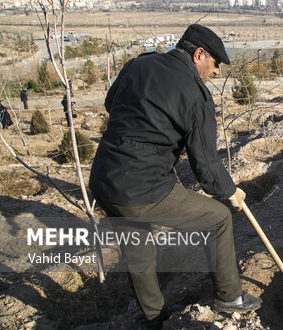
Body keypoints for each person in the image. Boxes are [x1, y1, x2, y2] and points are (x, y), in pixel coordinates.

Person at [89, 24, 261, 329]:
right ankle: (229, 297)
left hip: (104, 178)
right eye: (216, 63)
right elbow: (205, 165)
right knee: (219, 218)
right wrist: (229, 191)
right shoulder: (196, 95)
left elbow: (110, 103)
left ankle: (151, 314)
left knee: (136, 241)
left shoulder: (139, 63)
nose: (217, 72)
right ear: (199, 54)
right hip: (144, 185)